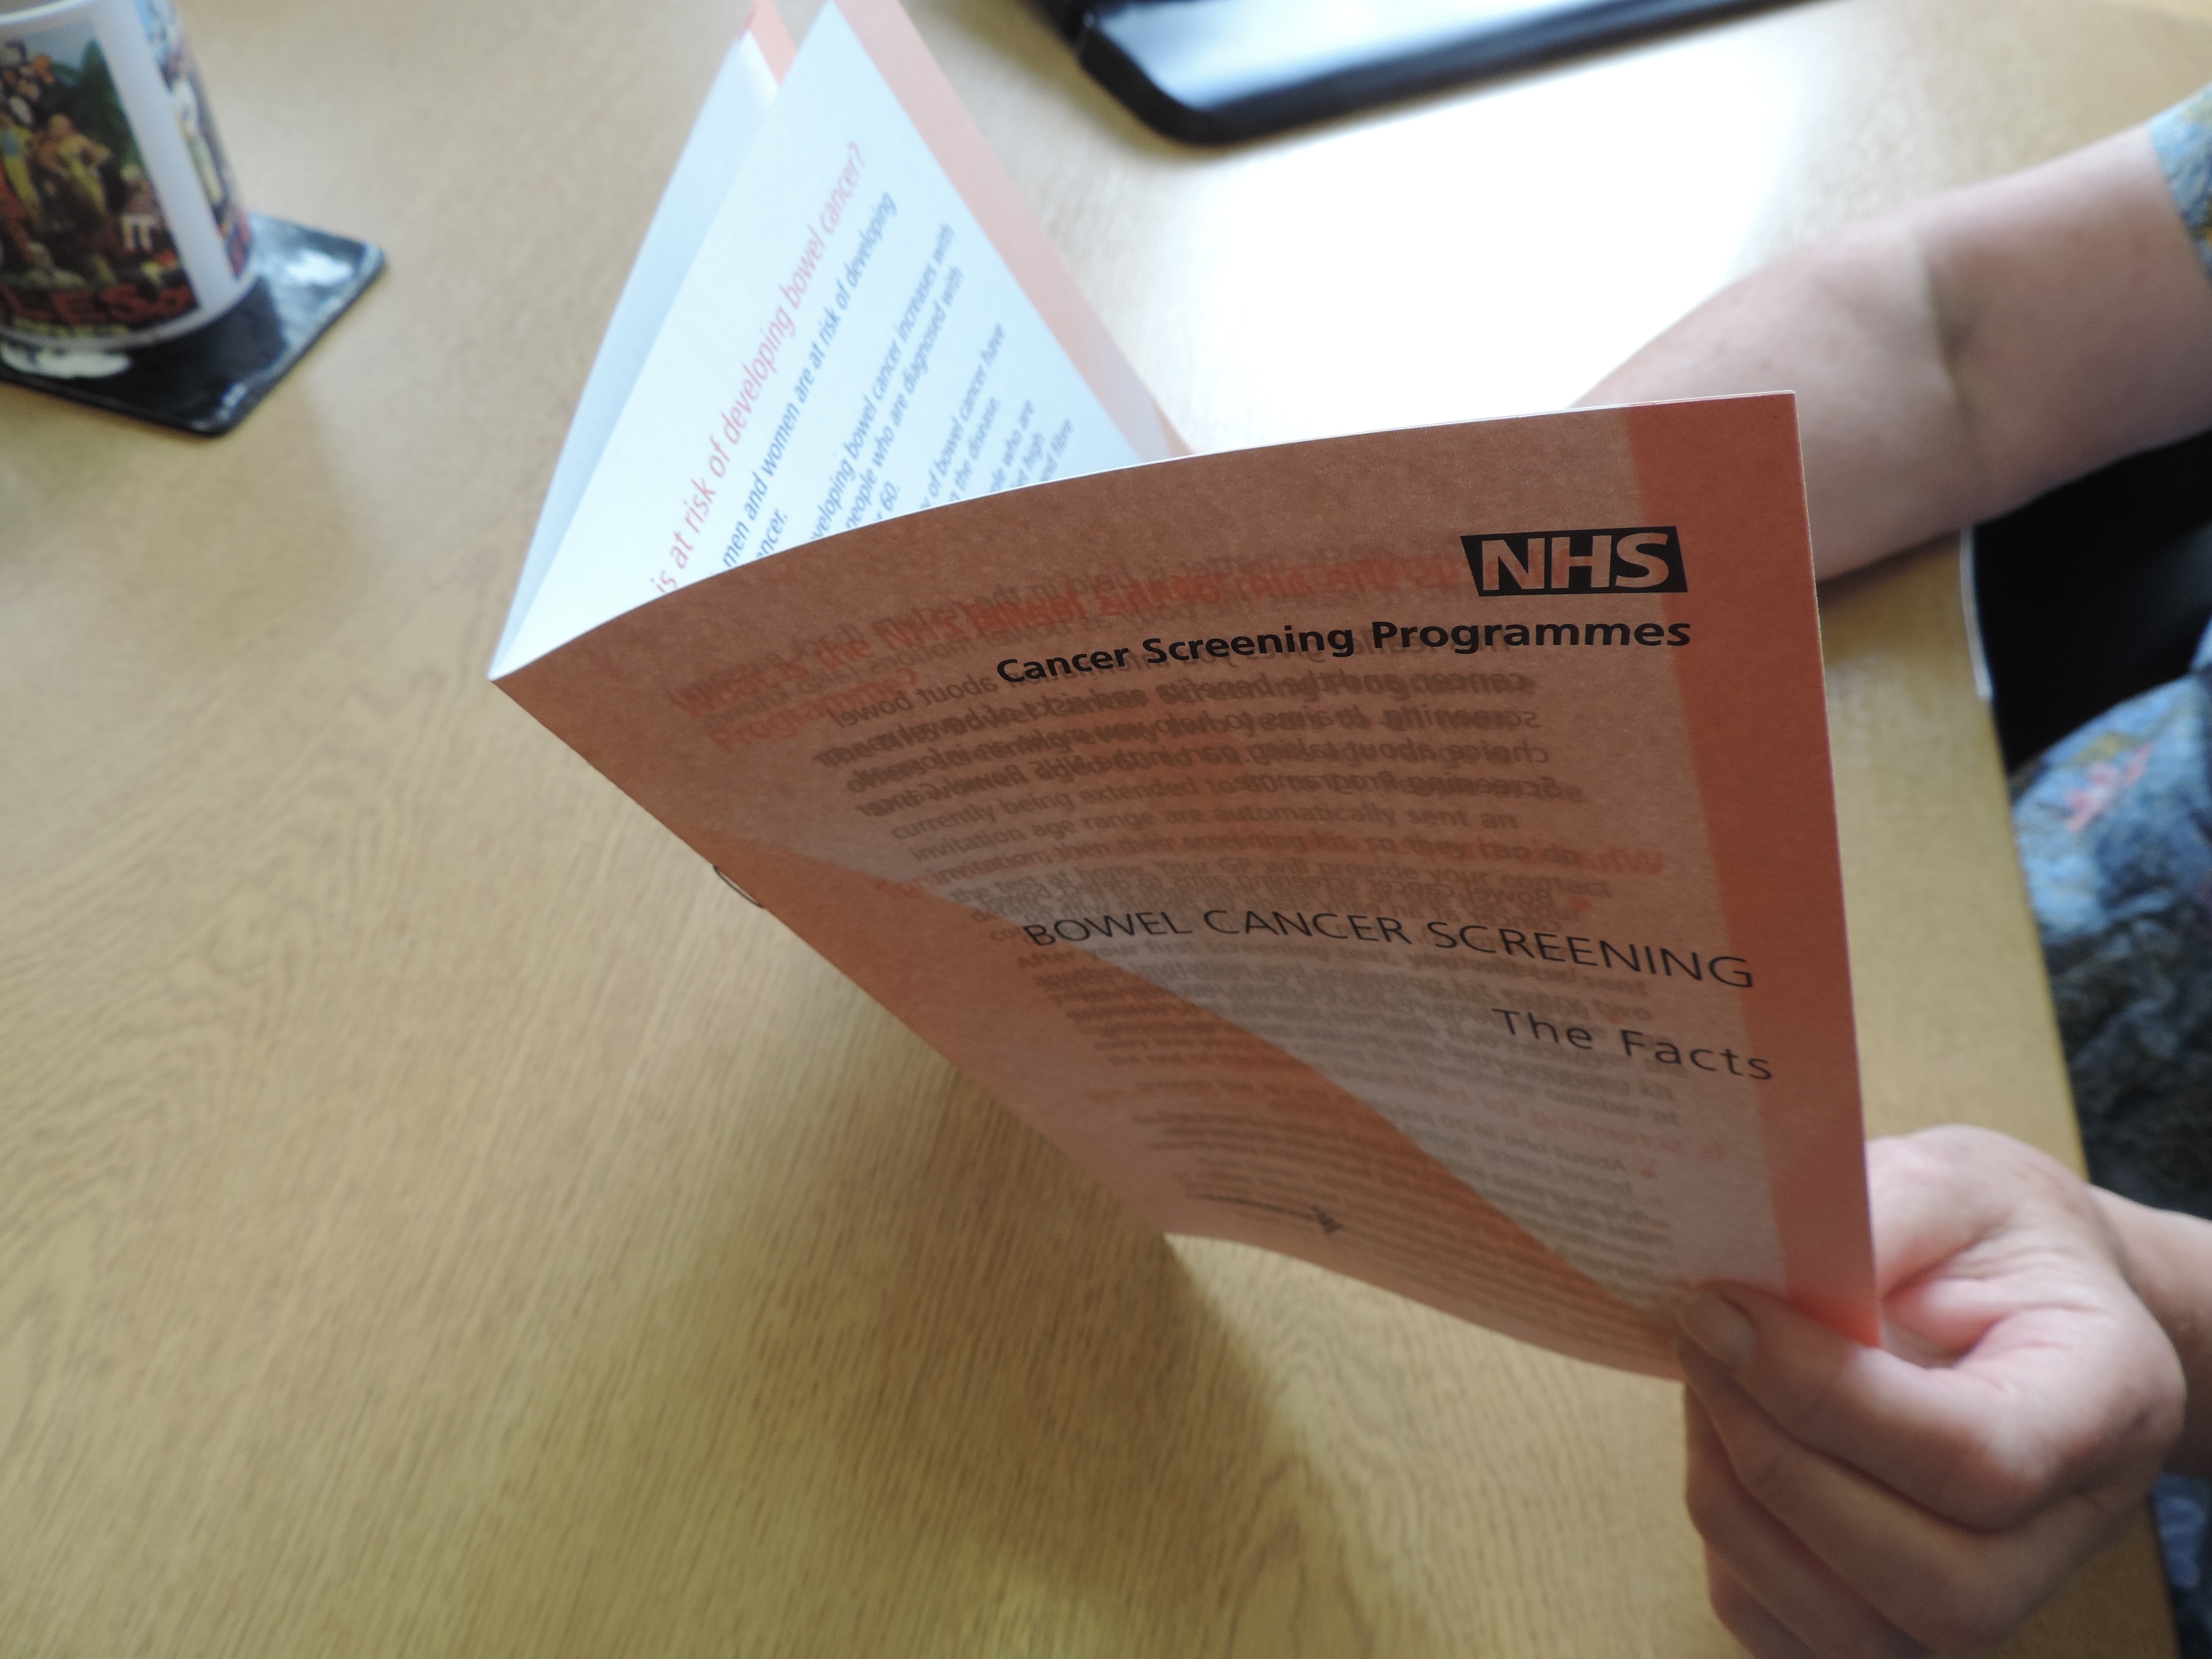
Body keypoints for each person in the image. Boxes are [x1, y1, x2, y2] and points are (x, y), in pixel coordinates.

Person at [1575, 84, 2212, 1658]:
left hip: (2115, 1465)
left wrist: (2156, 1301)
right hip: (2017, 919)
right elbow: (1956, 331)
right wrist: (1507, 594)